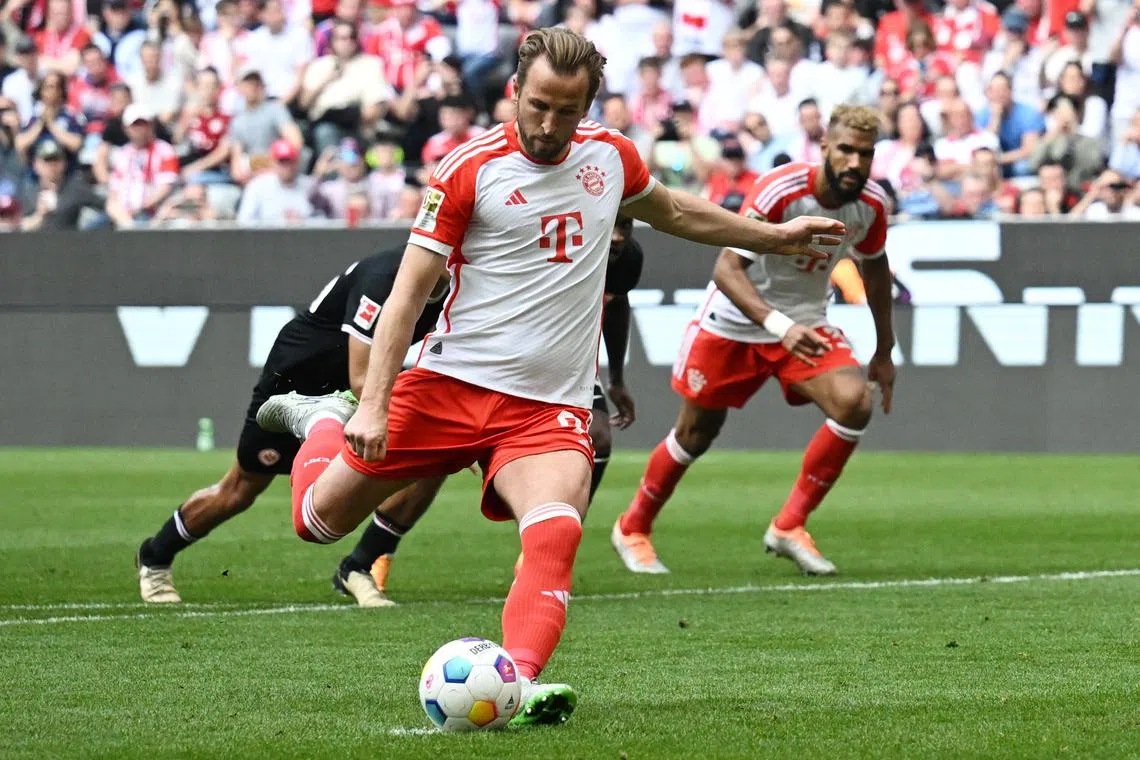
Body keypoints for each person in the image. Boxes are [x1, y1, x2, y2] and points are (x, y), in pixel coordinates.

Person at [253, 27, 841, 726]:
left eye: (567, 110)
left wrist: (772, 237)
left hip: (546, 407)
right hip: (448, 386)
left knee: (556, 532)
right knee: (316, 523)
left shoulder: (612, 157)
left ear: (588, 104)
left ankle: (518, 684)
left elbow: (678, 210)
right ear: (514, 93)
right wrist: (369, 406)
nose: (548, 125)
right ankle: (322, 417)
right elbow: (408, 295)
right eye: (537, 106)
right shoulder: (468, 169)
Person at [614, 104, 895, 578]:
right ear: (824, 146)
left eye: (865, 154)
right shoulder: (781, 189)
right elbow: (726, 269)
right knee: (696, 434)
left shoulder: (871, 205)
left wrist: (884, 351)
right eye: (845, 150)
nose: (855, 163)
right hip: (734, 320)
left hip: (804, 320)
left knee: (854, 403)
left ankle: (788, 526)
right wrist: (778, 326)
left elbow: (876, 269)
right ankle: (633, 527)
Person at [136, 249, 451, 605]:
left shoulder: (460, 281)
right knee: (239, 491)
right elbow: (362, 377)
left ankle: (358, 566)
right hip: (294, 388)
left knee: (433, 463)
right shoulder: (384, 278)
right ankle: (155, 556)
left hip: (347, 396)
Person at [105, 104, 180, 226]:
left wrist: (141, 207)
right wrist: (121, 214)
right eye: (135, 125)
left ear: (151, 126)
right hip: (124, 215)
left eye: (143, 124)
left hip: (152, 213)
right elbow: (114, 190)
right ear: (126, 128)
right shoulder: (123, 153)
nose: (140, 130)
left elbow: (165, 187)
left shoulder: (164, 150)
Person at [236, 138, 318, 224]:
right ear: (273, 162)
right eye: (282, 162)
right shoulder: (257, 186)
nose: (287, 166)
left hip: (304, 236)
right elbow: (244, 222)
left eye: (290, 161)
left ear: (297, 162)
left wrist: (304, 222)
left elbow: (325, 221)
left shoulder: (310, 186)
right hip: (267, 236)